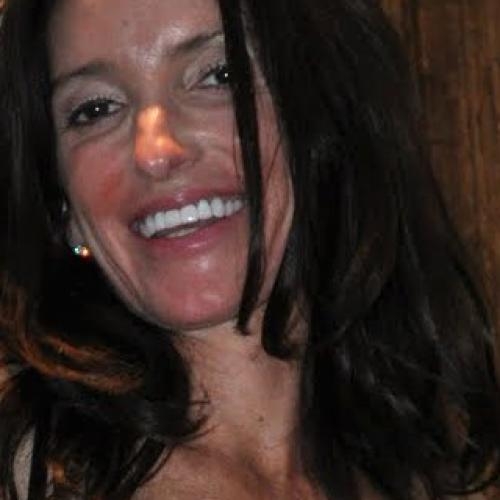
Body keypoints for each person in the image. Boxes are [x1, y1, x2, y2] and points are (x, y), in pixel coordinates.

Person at [0, 0, 499, 498]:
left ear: (326, 116)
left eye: (219, 76)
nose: (156, 151)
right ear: (61, 202)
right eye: (95, 109)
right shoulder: (22, 468)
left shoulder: (433, 467)